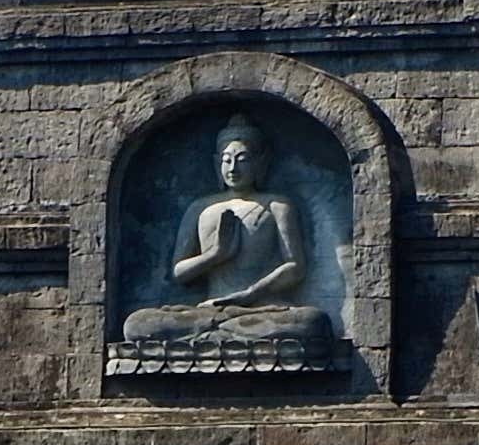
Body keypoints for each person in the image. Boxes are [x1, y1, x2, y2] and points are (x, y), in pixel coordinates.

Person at [116, 120, 328, 344]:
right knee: (137, 324)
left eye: (242, 160)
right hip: (209, 309)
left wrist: (250, 294)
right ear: (217, 163)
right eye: (227, 160)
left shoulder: (277, 205)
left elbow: (295, 267)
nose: (233, 168)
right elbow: (179, 272)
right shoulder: (200, 207)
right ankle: (222, 332)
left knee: (311, 322)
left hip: (260, 309)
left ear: (261, 162)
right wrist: (215, 255)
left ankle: (215, 335)